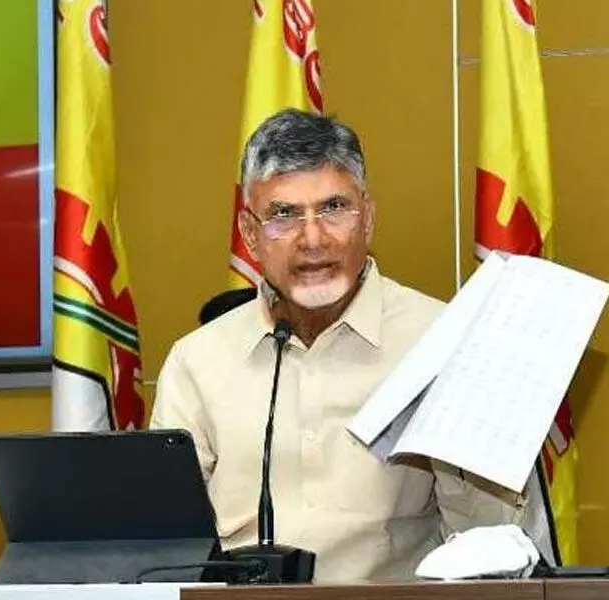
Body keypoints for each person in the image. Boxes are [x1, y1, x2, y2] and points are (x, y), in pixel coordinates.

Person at [151, 109, 531, 581]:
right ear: (250, 235)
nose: (313, 239)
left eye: (334, 208)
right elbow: (162, 555)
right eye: (284, 215)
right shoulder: (197, 362)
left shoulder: (444, 341)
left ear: (368, 218)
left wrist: (455, 443)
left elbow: (496, 550)